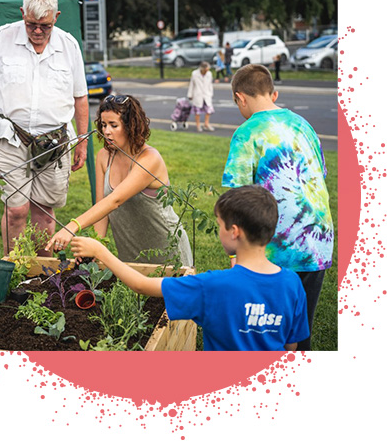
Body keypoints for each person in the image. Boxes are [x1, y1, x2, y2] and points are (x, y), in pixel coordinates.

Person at [70, 185, 309, 351]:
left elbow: (141, 285)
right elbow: (291, 345)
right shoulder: (292, 283)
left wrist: (101, 252)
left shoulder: (211, 286)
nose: (218, 231)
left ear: (234, 232)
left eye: (219, 225)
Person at [0, 0, 89, 256]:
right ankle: (14, 269)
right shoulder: (1, 38)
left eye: (44, 26)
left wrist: (81, 142)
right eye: (31, 24)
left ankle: (41, 274)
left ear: (56, 17)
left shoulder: (68, 45)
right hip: (11, 138)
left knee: (46, 213)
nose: (37, 31)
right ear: (22, 14)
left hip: (55, 143)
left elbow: (81, 97)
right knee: (16, 210)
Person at [222, 64, 334, 350]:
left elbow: (236, 199)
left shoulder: (247, 133)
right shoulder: (302, 124)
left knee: (267, 332)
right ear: (273, 94)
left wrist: (237, 254)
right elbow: (320, 173)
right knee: (300, 328)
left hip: (277, 247)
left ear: (240, 98)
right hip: (318, 241)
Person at [46, 94, 192, 267]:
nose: (106, 131)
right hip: (130, 255)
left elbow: (115, 200)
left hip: (168, 251)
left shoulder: (149, 159)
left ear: (131, 126)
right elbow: (103, 209)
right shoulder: (104, 157)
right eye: (104, 125)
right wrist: (96, 246)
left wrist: (72, 226)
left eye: (114, 125)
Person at [187, 61, 215, 132]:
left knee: (208, 110)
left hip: (206, 94)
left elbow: (210, 84)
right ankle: (198, 125)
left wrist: (211, 93)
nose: (207, 71)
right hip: (198, 94)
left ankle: (206, 123)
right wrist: (190, 94)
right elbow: (192, 84)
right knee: (197, 112)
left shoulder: (209, 74)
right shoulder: (194, 74)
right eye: (206, 69)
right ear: (202, 69)